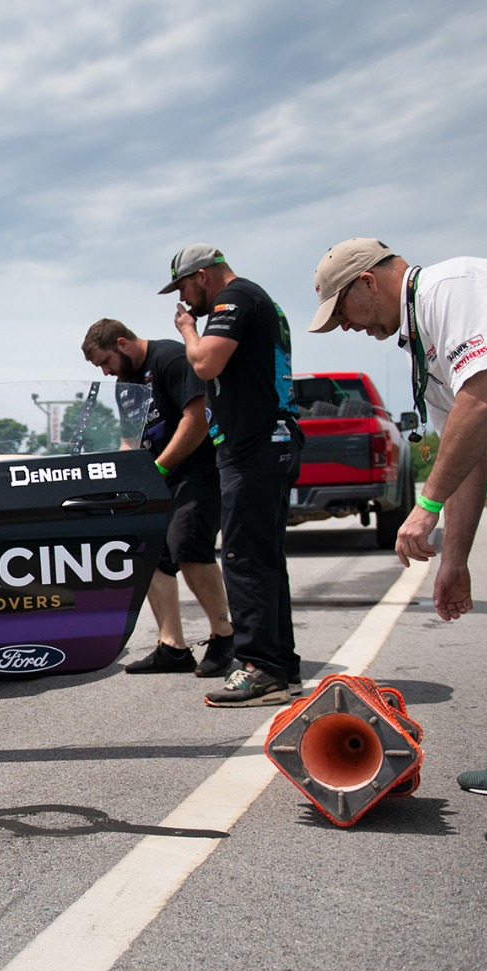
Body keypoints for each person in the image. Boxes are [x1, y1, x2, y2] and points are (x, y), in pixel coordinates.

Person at [310, 237, 487, 859]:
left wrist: (423, 510)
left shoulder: (455, 286)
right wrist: (454, 558)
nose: (348, 326)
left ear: (370, 280)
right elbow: (469, 449)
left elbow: (484, 400)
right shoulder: (425, 344)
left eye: (343, 309)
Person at [160, 244, 304, 706]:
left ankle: (260, 667)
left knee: (244, 558)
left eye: (183, 287)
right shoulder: (260, 301)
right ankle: (281, 667)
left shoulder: (234, 299)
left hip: (253, 446)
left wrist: (187, 330)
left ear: (202, 276)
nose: (184, 300)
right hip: (268, 443)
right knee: (264, 559)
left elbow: (204, 363)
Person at [82, 318, 235, 678]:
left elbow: (195, 419)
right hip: (158, 478)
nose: (105, 372)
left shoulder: (170, 358)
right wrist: (121, 479)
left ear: (122, 343)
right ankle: (173, 648)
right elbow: (129, 440)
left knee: (188, 544)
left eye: (105, 362)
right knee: (149, 552)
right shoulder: (125, 386)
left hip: (197, 472)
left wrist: (160, 469)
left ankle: (224, 636)